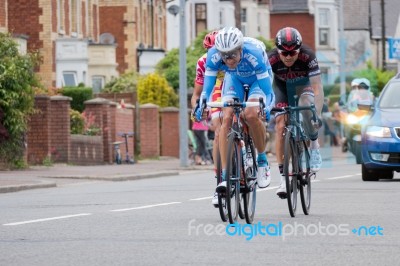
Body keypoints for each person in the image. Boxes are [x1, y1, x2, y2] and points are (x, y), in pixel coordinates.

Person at [195, 27, 275, 194]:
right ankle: (225, 176)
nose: (228, 59)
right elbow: (206, 90)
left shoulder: (254, 53)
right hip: (235, 78)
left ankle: (262, 159)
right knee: (227, 115)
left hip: (257, 80)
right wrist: (201, 103)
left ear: (240, 49)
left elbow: (268, 92)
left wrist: (267, 106)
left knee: (251, 114)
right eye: (224, 55)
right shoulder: (214, 55)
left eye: (232, 54)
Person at [268, 27, 324, 198]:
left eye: (293, 53)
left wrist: (317, 113)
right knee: (280, 125)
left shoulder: (308, 55)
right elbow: (264, 84)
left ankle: (314, 145)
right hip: (282, 88)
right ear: (278, 51)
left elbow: (317, 87)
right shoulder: (270, 58)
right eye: (284, 53)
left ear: (299, 49)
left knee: (305, 105)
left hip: (303, 86)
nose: (289, 57)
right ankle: (283, 176)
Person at [190, 30, 224, 206]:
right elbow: (197, 94)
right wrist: (197, 108)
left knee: (247, 114)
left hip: (238, 84)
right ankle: (220, 181)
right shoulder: (203, 62)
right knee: (219, 131)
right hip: (216, 90)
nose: (214, 56)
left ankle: (249, 151)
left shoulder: (233, 57)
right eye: (211, 51)